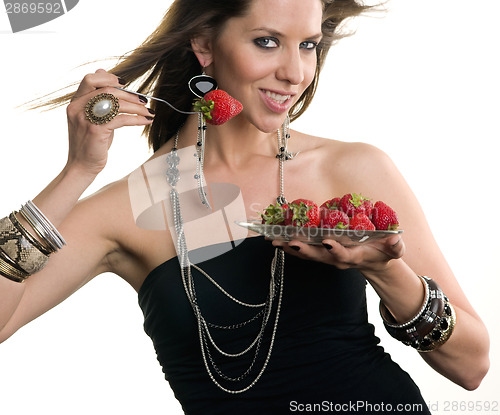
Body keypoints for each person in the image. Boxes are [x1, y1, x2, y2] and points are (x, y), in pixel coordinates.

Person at [0, 0, 490, 414]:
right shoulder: (131, 206)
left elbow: (471, 367)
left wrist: (386, 272)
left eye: (308, 45)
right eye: (267, 41)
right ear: (205, 44)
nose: (295, 72)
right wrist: (78, 171)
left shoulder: (349, 169)